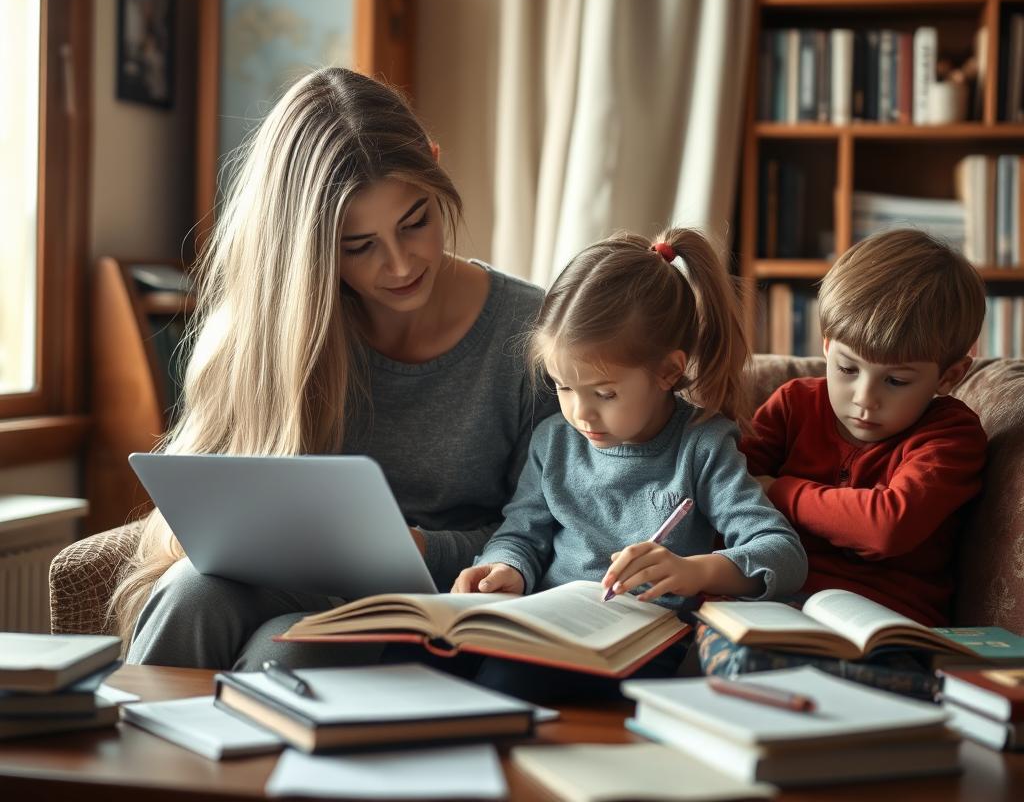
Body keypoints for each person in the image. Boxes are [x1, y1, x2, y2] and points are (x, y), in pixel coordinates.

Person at [111, 67, 557, 669]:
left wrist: (423, 547)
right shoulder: (285, 326)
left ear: (434, 164)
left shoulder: (532, 334)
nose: (400, 265)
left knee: (287, 649)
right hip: (300, 587)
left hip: (445, 612)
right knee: (192, 592)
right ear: (308, 243)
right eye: (358, 246)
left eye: (416, 222)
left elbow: (553, 526)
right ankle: (135, 762)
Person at [452, 229, 808, 703]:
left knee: (506, 688)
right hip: (545, 628)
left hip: (640, 647)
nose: (580, 414)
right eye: (562, 386)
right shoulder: (554, 441)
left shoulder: (701, 445)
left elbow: (782, 553)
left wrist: (694, 571)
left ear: (668, 371)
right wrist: (506, 566)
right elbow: (521, 532)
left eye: (604, 393)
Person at [741, 228, 988, 627]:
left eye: (896, 381)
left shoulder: (952, 435)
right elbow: (728, 491)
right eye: (847, 368)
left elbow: (886, 527)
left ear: (950, 375)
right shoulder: (793, 404)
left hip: (884, 624)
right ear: (825, 346)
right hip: (767, 598)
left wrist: (776, 488)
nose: (864, 398)